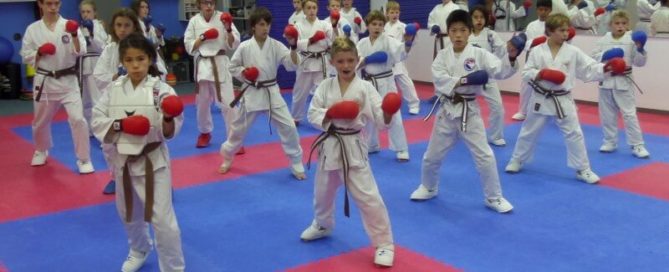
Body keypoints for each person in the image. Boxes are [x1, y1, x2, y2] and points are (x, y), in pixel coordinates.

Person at [409, 9, 522, 213]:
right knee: (431, 156)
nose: (458, 34)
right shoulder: (442, 56)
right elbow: (439, 80)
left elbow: (500, 70)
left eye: (462, 30)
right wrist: (466, 80)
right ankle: (428, 186)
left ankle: (494, 197)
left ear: (470, 31)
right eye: (454, 30)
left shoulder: (479, 54)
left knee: (485, 156)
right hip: (446, 111)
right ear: (448, 33)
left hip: (469, 112)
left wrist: (512, 57)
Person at [302, 36, 401, 267]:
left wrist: (388, 112)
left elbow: (380, 119)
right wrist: (331, 113)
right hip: (330, 145)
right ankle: (323, 224)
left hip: (353, 147)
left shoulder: (365, 88)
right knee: (322, 192)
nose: (346, 65)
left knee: (368, 197)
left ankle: (384, 244)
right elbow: (312, 113)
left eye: (350, 60)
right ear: (332, 61)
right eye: (340, 61)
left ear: (357, 60)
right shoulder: (325, 86)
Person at [91, 33, 185, 272]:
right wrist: (120, 125)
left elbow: (171, 131)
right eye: (129, 60)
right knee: (128, 214)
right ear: (122, 61)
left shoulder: (161, 91)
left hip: (154, 162)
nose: (135, 65)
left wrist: (167, 117)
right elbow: (96, 120)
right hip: (123, 162)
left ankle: (173, 268)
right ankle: (139, 249)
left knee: (164, 222)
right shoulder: (113, 89)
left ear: (150, 60)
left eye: (141, 59)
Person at [505, 13, 628, 184]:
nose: (566, 33)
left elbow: (589, 68)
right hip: (541, 97)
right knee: (529, 131)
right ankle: (517, 159)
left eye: (566, 30)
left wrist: (607, 68)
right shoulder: (537, 51)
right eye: (561, 30)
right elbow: (526, 73)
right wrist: (541, 73)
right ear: (549, 31)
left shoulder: (572, 51)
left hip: (563, 99)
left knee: (574, 134)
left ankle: (583, 169)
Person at [218, 8, 306, 179]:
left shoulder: (275, 45)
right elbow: (232, 67)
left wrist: (293, 46)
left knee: (288, 127)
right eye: (262, 24)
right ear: (253, 27)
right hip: (251, 91)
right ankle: (227, 156)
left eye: (268, 24)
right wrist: (245, 72)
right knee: (238, 130)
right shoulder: (244, 47)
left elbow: (292, 64)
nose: (266, 28)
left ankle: (296, 161)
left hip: (271, 92)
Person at [20, 0, 94, 174]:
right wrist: (39, 52)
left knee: (78, 119)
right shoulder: (33, 29)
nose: (53, 7)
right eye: (49, 3)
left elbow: (81, 51)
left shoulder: (68, 25)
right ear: (40, 4)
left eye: (56, 3)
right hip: (45, 80)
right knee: (40, 122)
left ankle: (84, 159)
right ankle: (41, 149)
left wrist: (75, 34)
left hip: (68, 80)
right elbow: (25, 55)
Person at [93, 8, 144, 194]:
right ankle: (116, 176)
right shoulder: (109, 50)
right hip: (114, 100)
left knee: (147, 141)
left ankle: (157, 179)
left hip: (140, 100)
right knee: (108, 142)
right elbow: (98, 75)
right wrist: (117, 76)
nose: (122, 29)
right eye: (118, 25)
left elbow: (158, 72)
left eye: (127, 25)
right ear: (113, 28)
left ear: (134, 26)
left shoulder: (144, 48)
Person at [592, 10, 650, 158]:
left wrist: (640, 48)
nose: (620, 26)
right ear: (610, 25)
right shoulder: (604, 39)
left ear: (628, 25)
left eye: (623, 23)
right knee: (607, 114)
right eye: (617, 23)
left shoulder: (632, 39)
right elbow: (593, 58)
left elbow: (640, 63)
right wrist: (604, 56)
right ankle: (610, 141)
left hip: (624, 80)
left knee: (629, 114)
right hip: (606, 79)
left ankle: (637, 145)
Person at [184, 0, 241, 148]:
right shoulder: (194, 21)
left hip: (220, 62)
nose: (208, 6)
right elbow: (188, 45)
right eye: (205, 2)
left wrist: (228, 29)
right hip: (202, 65)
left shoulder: (223, 17)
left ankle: (234, 139)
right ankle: (204, 133)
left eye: (211, 2)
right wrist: (203, 37)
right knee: (202, 104)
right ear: (199, 4)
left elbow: (234, 43)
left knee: (228, 103)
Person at [357, 10, 412, 161]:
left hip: (386, 82)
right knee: (369, 114)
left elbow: (401, 52)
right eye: (374, 24)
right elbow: (357, 60)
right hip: (368, 82)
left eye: (380, 24)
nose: (377, 27)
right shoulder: (362, 43)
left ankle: (401, 148)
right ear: (368, 25)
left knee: (393, 114)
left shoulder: (388, 40)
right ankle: (372, 144)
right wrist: (365, 60)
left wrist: (408, 43)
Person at [468, 5, 509, 146]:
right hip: (469, 77)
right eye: (475, 17)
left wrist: (493, 60)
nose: (479, 20)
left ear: (486, 19)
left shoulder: (490, 34)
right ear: (470, 19)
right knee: (460, 106)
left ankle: (495, 136)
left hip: (487, 77)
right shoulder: (466, 33)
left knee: (498, 107)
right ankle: (460, 132)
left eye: (482, 17)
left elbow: (502, 50)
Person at [291, 0, 334, 125]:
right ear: (303, 10)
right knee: (299, 93)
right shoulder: (297, 26)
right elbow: (294, 44)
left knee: (325, 92)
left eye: (314, 7)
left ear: (317, 9)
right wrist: (312, 39)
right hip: (305, 62)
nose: (311, 10)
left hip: (322, 62)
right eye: (308, 8)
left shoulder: (325, 25)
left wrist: (335, 26)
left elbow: (335, 40)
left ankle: (325, 117)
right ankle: (295, 117)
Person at [511, 0, 552, 121]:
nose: (543, 12)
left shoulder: (553, 25)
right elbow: (526, 44)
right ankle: (523, 111)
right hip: (533, 58)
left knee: (555, 85)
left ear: (550, 10)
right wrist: (534, 42)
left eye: (546, 9)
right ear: (537, 10)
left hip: (550, 59)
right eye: (540, 9)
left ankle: (563, 110)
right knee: (526, 84)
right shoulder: (532, 25)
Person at [384, 1, 421, 115]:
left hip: (398, 59)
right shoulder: (384, 27)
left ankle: (414, 105)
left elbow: (412, 42)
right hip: (387, 60)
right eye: (392, 12)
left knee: (406, 83)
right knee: (388, 85)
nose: (395, 14)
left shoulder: (404, 27)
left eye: (397, 12)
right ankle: (391, 104)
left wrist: (411, 36)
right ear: (387, 14)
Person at [79, 0, 109, 134]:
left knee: (97, 100)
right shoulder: (79, 27)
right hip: (82, 65)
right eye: (83, 12)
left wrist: (91, 34)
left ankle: (103, 132)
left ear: (94, 12)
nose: (85, 14)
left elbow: (102, 47)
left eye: (88, 11)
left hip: (95, 64)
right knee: (85, 101)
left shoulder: (99, 26)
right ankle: (90, 130)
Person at [130, 0, 168, 78]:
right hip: (140, 56)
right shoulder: (133, 24)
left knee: (162, 75)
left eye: (147, 7)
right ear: (136, 8)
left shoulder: (150, 25)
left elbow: (158, 44)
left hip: (153, 55)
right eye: (142, 7)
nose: (145, 9)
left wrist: (159, 35)